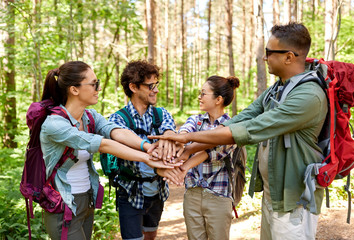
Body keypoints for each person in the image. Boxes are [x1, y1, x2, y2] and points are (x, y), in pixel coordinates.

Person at [149, 22, 328, 240]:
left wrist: (184, 138)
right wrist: (188, 150)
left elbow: (247, 130)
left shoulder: (308, 96)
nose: (265, 58)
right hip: (275, 195)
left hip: (294, 198)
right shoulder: (278, 89)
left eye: (269, 52)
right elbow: (239, 120)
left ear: (289, 57)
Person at [39, 61, 176, 240]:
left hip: (86, 199)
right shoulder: (55, 124)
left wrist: (148, 147)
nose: (98, 89)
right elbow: (103, 144)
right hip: (63, 202)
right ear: (74, 89)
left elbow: (116, 132)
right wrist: (148, 158)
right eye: (94, 84)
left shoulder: (89, 116)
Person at [158, 75, 240, 240]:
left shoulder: (232, 128)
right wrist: (181, 138)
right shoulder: (196, 120)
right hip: (193, 195)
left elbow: (210, 153)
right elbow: (186, 130)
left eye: (203, 93)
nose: (199, 97)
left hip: (218, 195)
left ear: (218, 99)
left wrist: (184, 166)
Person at [107, 60, 180, 240]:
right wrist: (151, 148)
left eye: (156, 85)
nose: (155, 90)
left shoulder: (161, 114)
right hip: (130, 191)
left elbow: (170, 131)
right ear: (133, 87)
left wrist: (169, 135)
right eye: (150, 86)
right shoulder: (118, 119)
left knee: (150, 233)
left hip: (157, 191)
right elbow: (120, 138)